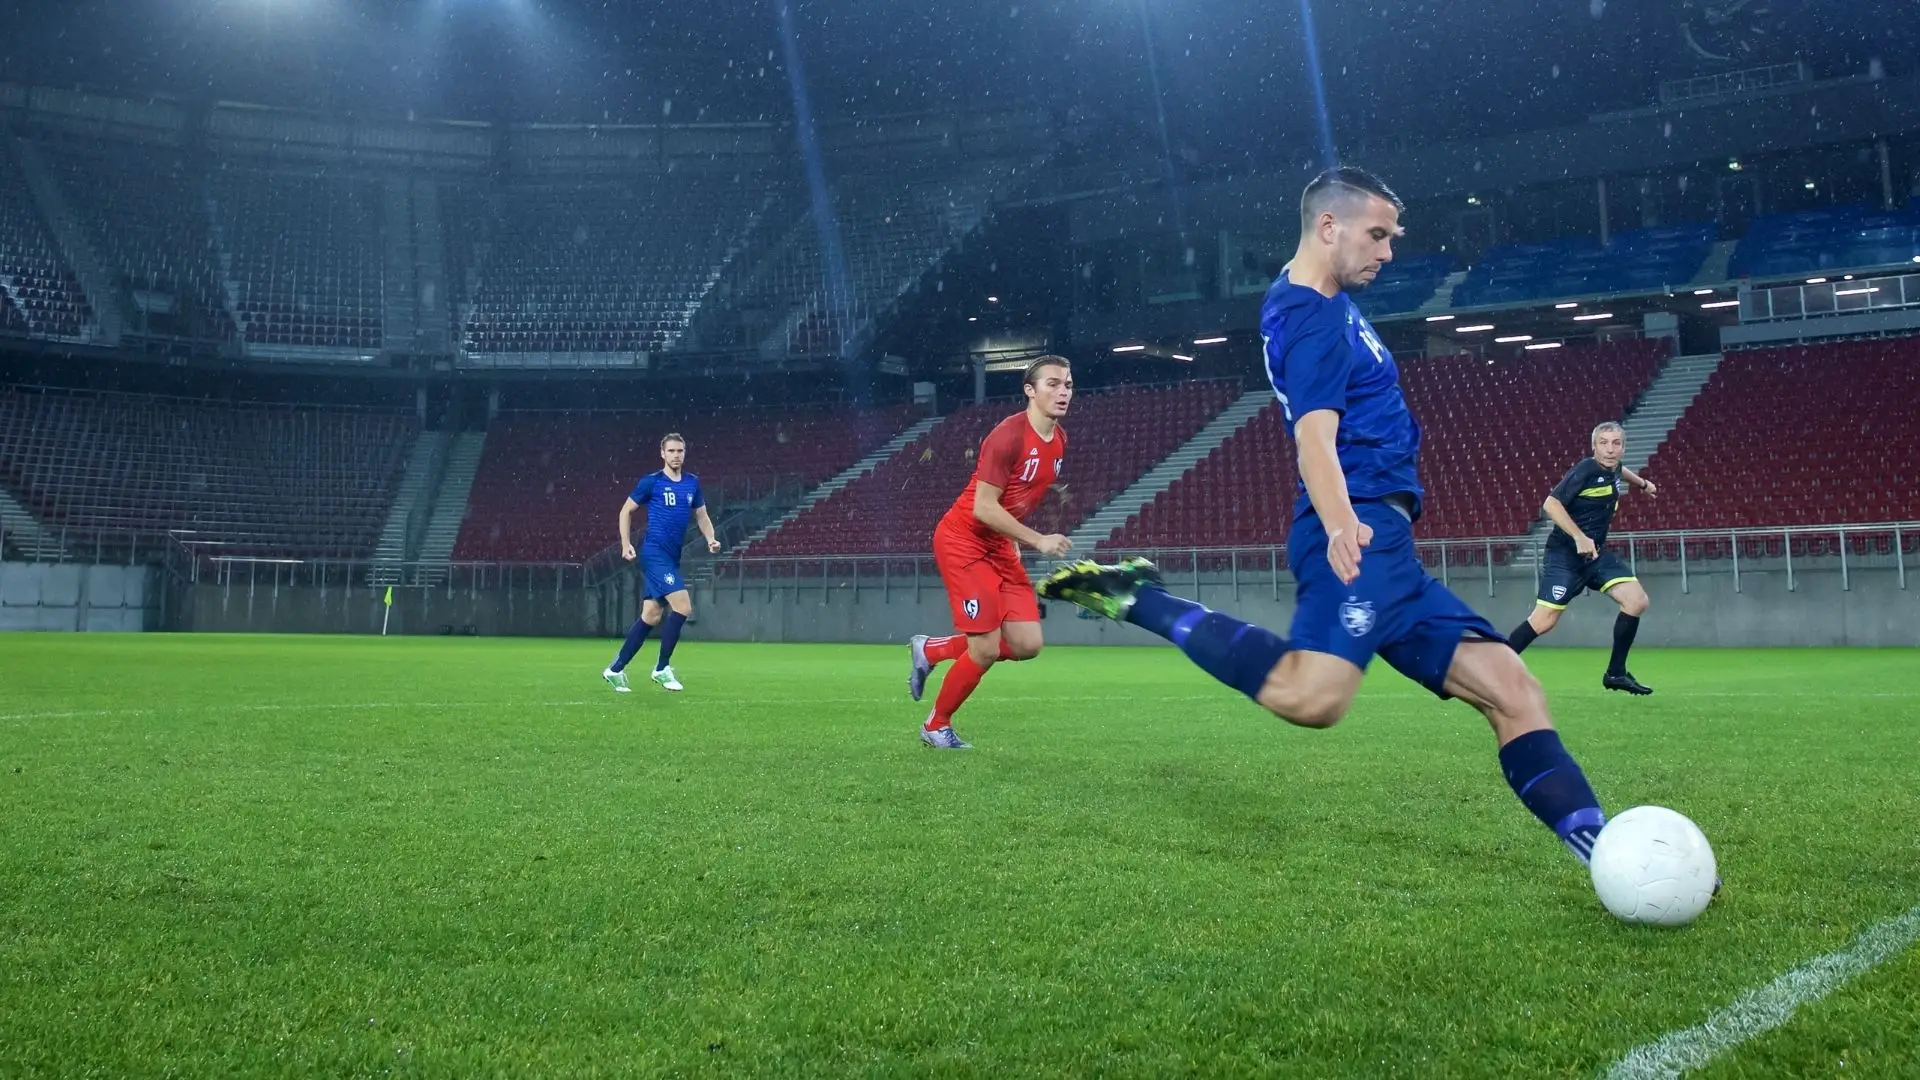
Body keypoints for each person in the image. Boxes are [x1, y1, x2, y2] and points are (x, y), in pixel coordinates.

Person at [1039, 168, 1609, 865]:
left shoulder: (1331, 301)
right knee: (1316, 698)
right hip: (1358, 528)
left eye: (1392, 237)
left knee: (1514, 689)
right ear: (1328, 226)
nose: (1389, 251)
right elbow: (1314, 433)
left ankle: (1602, 848)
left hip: (1391, 546)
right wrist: (1342, 521)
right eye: (1377, 234)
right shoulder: (1306, 312)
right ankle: (1145, 602)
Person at [906, 355, 1075, 748]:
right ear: (1030, 391)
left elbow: (1018, 495)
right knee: (983, 648)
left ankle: (932, 649)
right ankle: (936, 725)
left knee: (1027, 644)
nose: (1062, 391)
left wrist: (1014, 539)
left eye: (1067, 384)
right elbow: (983, 506)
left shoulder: (1059, 441)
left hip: (1000, 544)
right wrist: (1036, 539)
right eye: (1052, 383)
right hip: (964, 541)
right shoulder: (1007, 436)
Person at [1507, 422, 1657, 695]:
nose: (1610, 449)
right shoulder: (1586, 469)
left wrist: (1643, 484)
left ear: (1623, 447)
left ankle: (1616, 674)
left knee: (1636, 601)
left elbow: (1619, 472)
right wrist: (1578, 536)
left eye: (1615, 443)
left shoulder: (1611, 468)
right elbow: (1551, 504)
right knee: (1544, 621)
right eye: (1604, 443)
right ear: (1594, 446)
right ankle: (1494, 669)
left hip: (1596, 555)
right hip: (1565, 555)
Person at [602, 432, 721, 693]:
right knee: (682, 606)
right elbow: (626, 511)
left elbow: (702, 516)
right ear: (662, 453)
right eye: (672, 451)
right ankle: (662, 668)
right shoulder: (651, 482)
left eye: (680, 451)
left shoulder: (692, 483)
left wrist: (711, 538)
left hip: (671, 557)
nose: (676, 455)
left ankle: (615, 669)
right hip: (654, 554)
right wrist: (625, 544)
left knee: (652, 615)